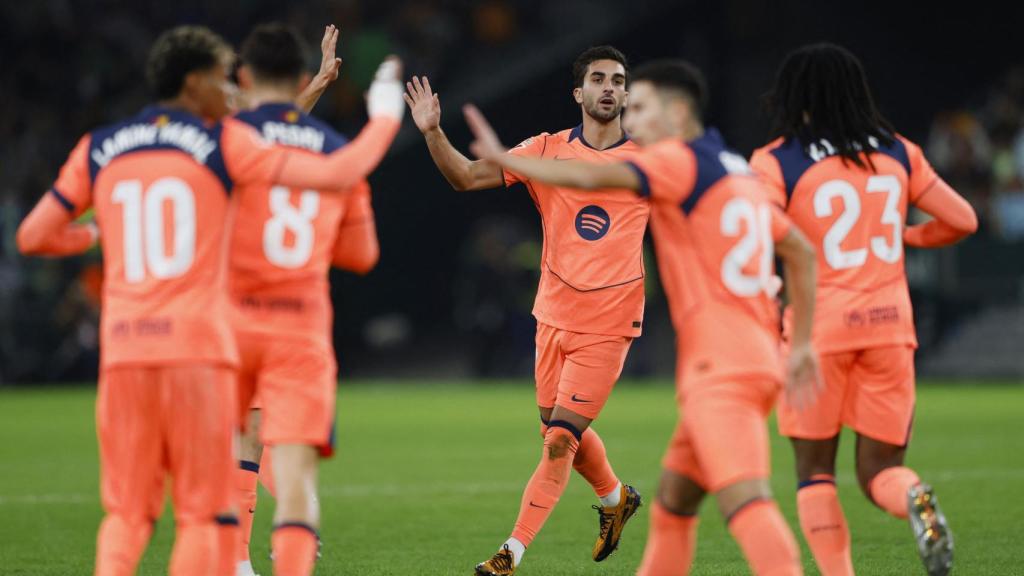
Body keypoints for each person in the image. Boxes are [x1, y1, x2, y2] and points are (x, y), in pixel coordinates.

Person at [16, 24, 405, 576]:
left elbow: (33, 236)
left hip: (129, 350)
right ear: (196, 82)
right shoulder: (220, 145)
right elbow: (311, 160)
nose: (230, 90)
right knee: (214, 511)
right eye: (221, 79)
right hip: (209, 345)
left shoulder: (101, 146)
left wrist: (95, 233)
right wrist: (384, 113)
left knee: (128, 514)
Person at [463, 58, 821, 576]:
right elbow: (801, 251)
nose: (631, 114)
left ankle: (512, 551)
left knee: (745, 501)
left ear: (677, 112)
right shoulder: (732, 166)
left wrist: (504, 158)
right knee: (673, 503)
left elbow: (591, 175)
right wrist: (802, 342)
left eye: (643, 105)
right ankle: (615, 498)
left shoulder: (674, 160)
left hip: (720, 364)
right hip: (752, 353)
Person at [405, 46, 646, 575]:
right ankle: (615, 498)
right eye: (598, 79)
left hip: (610, 323)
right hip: (553, 315)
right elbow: (466, 177)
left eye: (618, 80)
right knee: (555, 431)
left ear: (628, 94)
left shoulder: (650, 161)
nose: (609, 87)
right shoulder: (544, 151)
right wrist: (432, 132)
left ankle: (509, 553)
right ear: (578, 93)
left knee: (560, 439)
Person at [749, 42, 977, 576]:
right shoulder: (899, 152)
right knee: (881, 473)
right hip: (890, 328)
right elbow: (963, 220)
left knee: (814, 473)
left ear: (795, 95)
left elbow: (760, 236)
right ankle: (913, 495)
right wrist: (906, 237)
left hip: (817, 333)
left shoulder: (777, 160)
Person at [228, 22, 381, 576]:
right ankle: (290, 541)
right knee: (292, 466)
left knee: (241, 443)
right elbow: (361, 254)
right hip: (301, 323)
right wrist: (320, 88)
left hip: (237, 316)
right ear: (295, 77)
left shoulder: (227, 137)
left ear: (243, 77)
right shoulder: (333, 150)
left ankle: (236, 562)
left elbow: (266, 135)